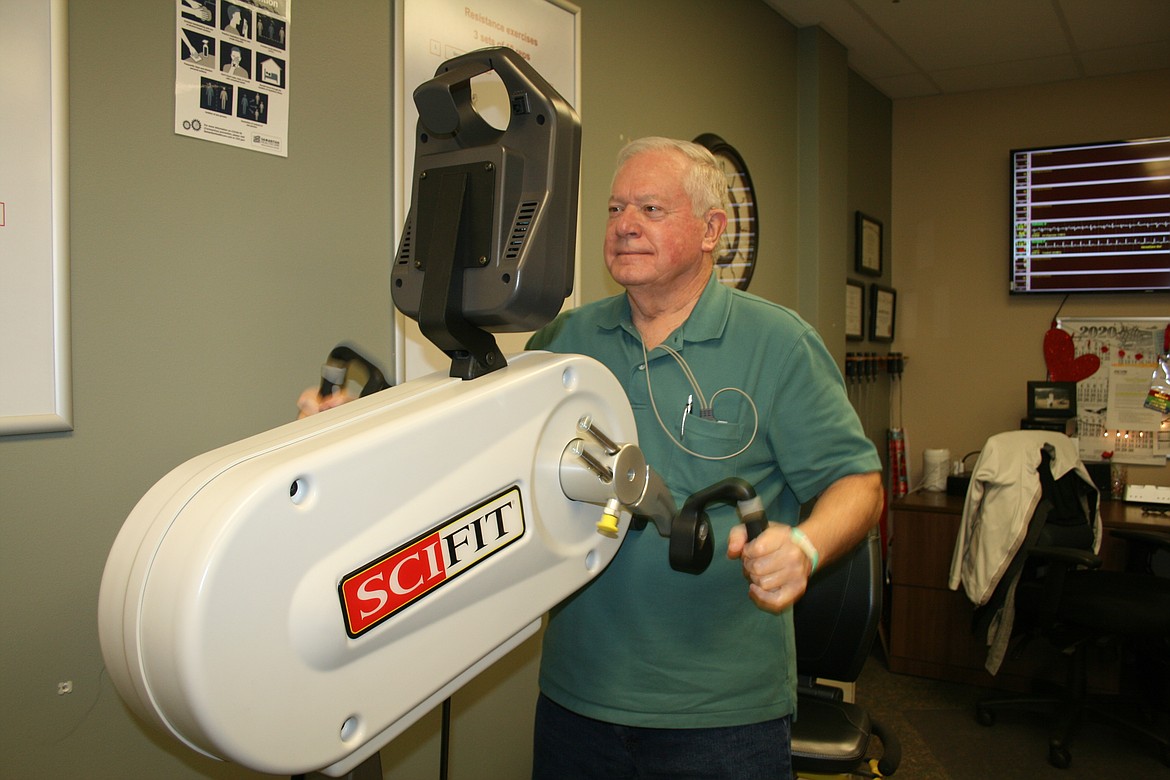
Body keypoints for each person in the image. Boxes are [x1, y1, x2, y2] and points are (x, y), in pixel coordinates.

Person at [298, 137, 883, 778]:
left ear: (712, 229)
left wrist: (805, 547)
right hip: (579, 703)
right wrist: (353, 432)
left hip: (721, 715)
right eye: (615, 209)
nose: (626, 225)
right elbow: (472, 457)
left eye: (651, 209)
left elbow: (859, 482)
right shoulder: (567, 342)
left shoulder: (779, 344)